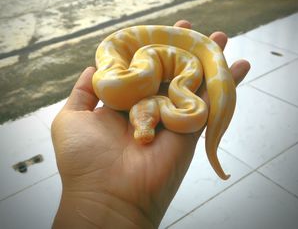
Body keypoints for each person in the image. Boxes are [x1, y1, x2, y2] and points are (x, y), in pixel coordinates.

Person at [51, 20, 250, 228]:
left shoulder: (177, 101)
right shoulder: (174, 102)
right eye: (146, 123)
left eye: (144, 123)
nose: (144, 133)